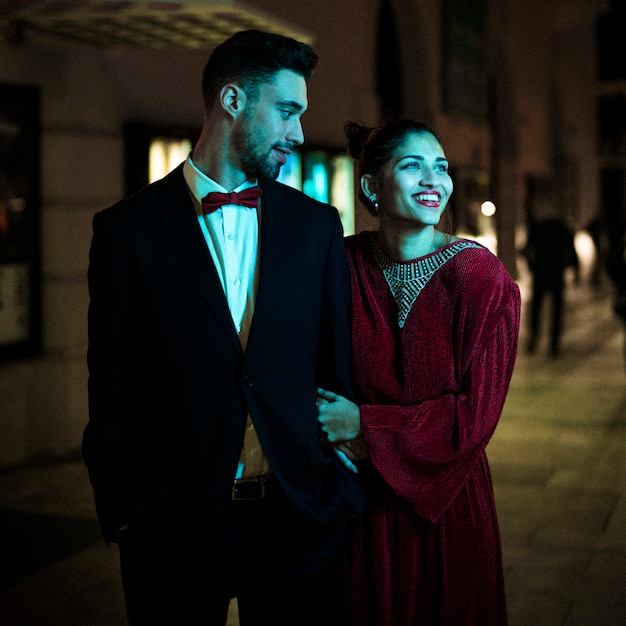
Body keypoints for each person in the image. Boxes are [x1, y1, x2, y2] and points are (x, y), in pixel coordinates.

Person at [82, 29, 362, 626]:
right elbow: (110, 389)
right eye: (287, 111)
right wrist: (127, 511)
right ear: (232, 100)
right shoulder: (126, 232)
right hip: (172, 530)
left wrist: (336, 490)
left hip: (296, 524)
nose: (299, 133)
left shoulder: (317, 228)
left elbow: (338, 370)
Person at [317, 119, 521, 625]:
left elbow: (474, 418)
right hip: (361, 507)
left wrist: (364, 426)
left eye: (442, 168)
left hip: (447, 506)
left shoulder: (479, 276)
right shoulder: (342, 263)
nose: (434, 181)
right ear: (371, 185)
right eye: (413, 166)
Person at [523, 200, 580, 357]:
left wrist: (532, 266)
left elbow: (527, 249)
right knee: (557, 310)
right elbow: (572, 250)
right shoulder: (563, 228)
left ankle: (534, 338)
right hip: (556, 273)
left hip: (541, 273)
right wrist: (576, 271)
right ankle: (554, 344)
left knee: (536, 308)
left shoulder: (538, 227)